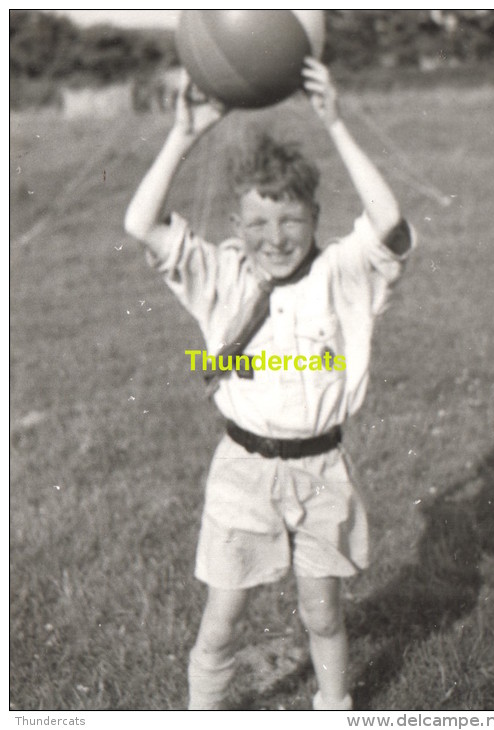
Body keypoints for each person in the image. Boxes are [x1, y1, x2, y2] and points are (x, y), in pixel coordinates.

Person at [124, 58, 415, 711]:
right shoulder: (222, 276)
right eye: (257, 223)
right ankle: (203, 713)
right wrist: (182, 133)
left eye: (290, 221)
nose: (274, 237)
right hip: (244, 470)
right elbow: (140, 225)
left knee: (324, 617)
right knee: (222, 619)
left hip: (321, 471)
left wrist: (335, 123)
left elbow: (390, 222)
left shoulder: (342, 273)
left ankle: (334, 710)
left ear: (315, 216)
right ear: (235, 227)